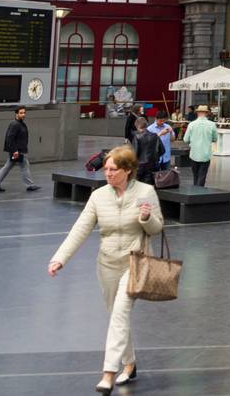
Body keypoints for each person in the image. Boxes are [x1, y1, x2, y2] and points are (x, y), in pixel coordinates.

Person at [47, 144, 163, 392]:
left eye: (113, 169)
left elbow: (157, 229)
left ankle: (108, 373)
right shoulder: (99, 196)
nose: (107, 173)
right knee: (116, 317)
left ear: (128, 170)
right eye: (106, 169)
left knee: (120, 313)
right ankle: (129, 364)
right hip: (107, 264)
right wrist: (60, 258)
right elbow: (80, 228)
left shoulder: (146, 192)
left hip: (135, 261)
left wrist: (146, 218)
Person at [0, 106, 39, 191]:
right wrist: (15, 150)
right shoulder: (15, 124)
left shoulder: (20, 123)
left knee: (8, 167)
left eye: (24, 113)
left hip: (18, 150)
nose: (23, 115)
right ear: (16, 114)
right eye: (21, 113)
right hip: (18, 150)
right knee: (24, 166)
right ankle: (30, 185)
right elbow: (10, 138)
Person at [183, 104, 217, 186]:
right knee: (202, 176)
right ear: (207, 113)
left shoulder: (191, 124)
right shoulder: (212, 124)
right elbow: (215, 139)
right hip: (206, 154)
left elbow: (185, 139)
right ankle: (199, 193)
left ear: (197, 113)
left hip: (194, 154)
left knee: (195, 176)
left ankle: (196, 192)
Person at [132, 116, 161, 184]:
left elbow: (134, 153)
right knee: (148, 186)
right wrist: (155, 158)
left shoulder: (137, 137)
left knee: (136, 186)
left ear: (137, 126)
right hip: (152, 165)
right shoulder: (155, 136)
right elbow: (162, 150)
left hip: (139, 166)